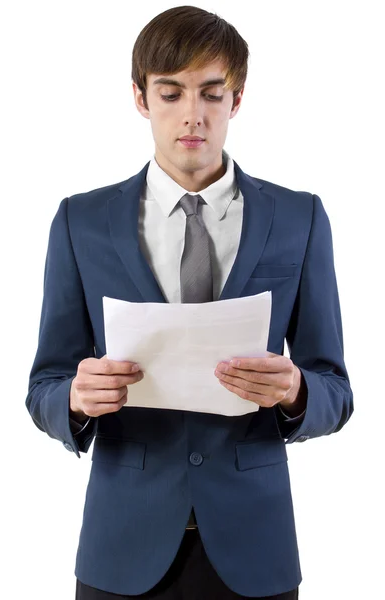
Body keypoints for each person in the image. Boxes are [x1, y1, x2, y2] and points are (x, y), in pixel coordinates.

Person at [25, 6, 354, 600]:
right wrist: (73, 399)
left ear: (238, 99)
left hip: (255, 548)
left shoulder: (300, 218)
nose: (192, 116)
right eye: (171, 93)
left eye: (211, 92)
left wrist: (296, 390)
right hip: (120, 547)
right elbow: (45, 382)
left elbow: (335, 388)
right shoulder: (82, 222)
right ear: (140, 98)